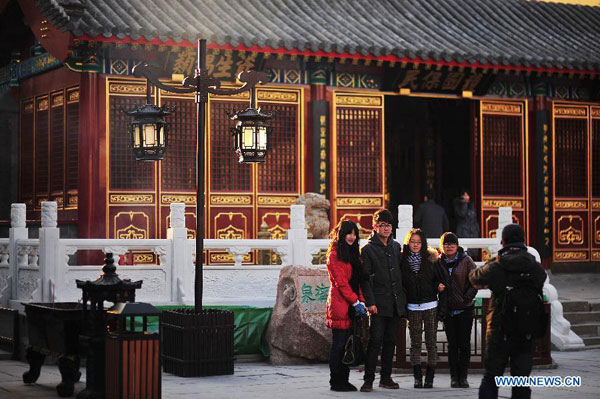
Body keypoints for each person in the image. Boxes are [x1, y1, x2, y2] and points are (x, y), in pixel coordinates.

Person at [469, 224, 547, 399]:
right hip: (526, 329)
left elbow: (475, 277)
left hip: (500, 329)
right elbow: (541, 279)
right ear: (524, 241)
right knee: (521, 380)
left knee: (492, 377)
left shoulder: (498, 265)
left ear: (502, 241)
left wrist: (494, 260)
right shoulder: (534, 266)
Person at [359, 209, 407, 392]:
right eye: (382, 225)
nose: (386, 228)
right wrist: (370, 302)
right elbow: (365, 279)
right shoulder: (368, 249)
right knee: (375, 342)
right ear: (375, 226)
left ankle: (386, 378)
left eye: (389, 225)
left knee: (390, 342)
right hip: (378, 304)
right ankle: (368, 379)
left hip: (395, 303)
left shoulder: (395, 247)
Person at [325, 220, 367, 392]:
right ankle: (335, 381)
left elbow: (358, 281)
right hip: (340, 304)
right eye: (349, 233)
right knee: (339, 344)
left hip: (353, 305)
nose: (352, 237)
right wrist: (355, 301)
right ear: (341, 234)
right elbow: (341, 283)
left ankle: (345, 380)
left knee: (349, 344)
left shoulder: (354, 253)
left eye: (354, 234)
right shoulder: (334, 255)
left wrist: (362, 301)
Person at [400, 228, 445, 389]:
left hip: (430, 304)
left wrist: (439, 286)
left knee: (431, 342)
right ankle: (417, 377)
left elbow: (440, 278)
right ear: (408, 242)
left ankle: (430, 378)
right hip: (412, 306)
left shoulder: (431, 258)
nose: (416, 245)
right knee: (415, 343)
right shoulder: (402, 259)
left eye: (419, 242)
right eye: (413, 242)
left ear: (423, 243)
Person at [438, 232, 478, 388]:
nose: (449, 246)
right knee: (452, 345)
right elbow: (434, 279)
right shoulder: (438, 262)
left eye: (451, 244)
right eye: (446, 244)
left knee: (464, 344)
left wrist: (466, 298)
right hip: (448, 310)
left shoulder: (466, 261)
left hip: (465, 309)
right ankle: (454, 377)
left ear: (457, 245)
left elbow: (476, 281)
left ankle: (464, 376)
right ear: (442, 246)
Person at [454, 190, 480, 258]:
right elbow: (462, 214)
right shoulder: (458, 205)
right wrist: (463, 203)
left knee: (473, 257)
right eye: (464, 195)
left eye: (467, 195)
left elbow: (474, 220)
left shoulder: (471, 205)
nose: (466, 197)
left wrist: (477, 230)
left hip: (472, 233)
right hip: (463, 232)